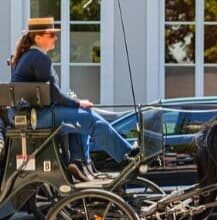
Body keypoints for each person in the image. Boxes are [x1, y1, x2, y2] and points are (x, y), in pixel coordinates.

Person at [7, 17, 137, 182]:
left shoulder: (30, 56)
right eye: (51, 34)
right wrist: (78, 102)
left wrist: (76, 104)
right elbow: (55, 95)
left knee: (83, 116)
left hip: (33, 115)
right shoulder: (38, 58)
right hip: (35, 117)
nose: (55, 38)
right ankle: (126, 156)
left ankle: (77, 161)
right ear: (38, 38)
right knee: (89, 118)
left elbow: (52, 94)